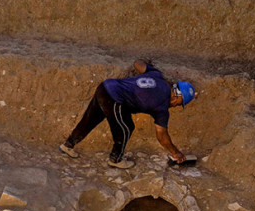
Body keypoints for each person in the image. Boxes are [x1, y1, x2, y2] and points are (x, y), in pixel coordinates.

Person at [59, 59, 196, 169]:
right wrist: (175, 153)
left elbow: (138, 63)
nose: (175, 106)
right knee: (126, 128)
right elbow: (161, 136)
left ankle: (68, 145)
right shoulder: (162, 108)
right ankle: (116, 159)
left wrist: (147, 63)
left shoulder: (157, 75)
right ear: (176, 97)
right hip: (115, 98)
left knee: (90, 119)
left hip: (106, 87)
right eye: (179, 103)